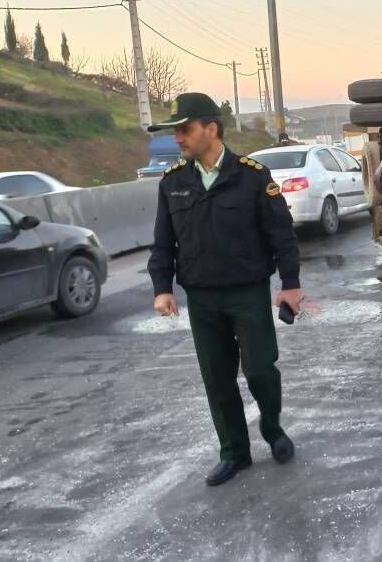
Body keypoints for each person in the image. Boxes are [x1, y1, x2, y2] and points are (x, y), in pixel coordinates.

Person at [147, 92, 304, 486]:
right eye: (176, 133)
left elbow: (281, 234)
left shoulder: (251, 176)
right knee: (217, 379)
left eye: (184, 130)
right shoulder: (172, 184)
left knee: (259, 370)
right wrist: (162, 287)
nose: (178, 139)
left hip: (247, 293)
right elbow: (163, 242)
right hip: (202, 298)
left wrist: (291, 285)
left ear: (210, 129)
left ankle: (273, 430)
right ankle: (234, 452)